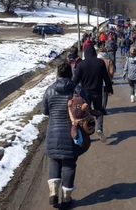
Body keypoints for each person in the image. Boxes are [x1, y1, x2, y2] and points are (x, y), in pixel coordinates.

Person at [41, 62, 89, 208]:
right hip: (71, 133)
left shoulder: (49, 90)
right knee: (69, 164)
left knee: (54, 161)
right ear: (71, 74)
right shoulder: (77, 89)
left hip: (53, 132)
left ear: (58, 74)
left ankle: (53, 194)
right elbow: (86, 108)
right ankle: (66, 198)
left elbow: (45, 111)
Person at [73, 44, 113, 143]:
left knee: (85, 113)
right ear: (94, 53)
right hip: (97, 92)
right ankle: (99, 129)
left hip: (85, 93)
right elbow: (106, 77)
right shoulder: (100, 63)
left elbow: (75, 80)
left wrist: (72, 91)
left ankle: (85, 132)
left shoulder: (81, 64)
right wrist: (109, 89)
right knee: (98, 112)